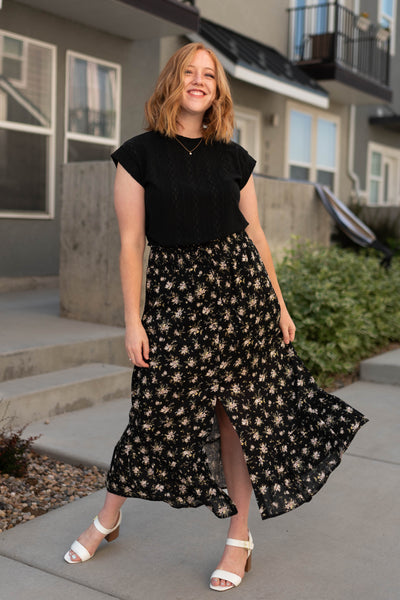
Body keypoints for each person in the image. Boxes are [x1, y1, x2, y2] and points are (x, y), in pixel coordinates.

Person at [64, 42, 368, 592]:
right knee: (154, 412)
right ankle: (107, 518)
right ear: (172, 82)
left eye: (209, 75)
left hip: (241, 298)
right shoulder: (138, 155)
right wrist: (133, 320)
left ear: (217, 90)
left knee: (238, 415)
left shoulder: (232, 156)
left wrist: (278, 301)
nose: (199, 82)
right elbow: (132, 244)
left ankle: (239, 538)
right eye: (190, 72)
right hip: (176, 302)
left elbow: (255, 234)